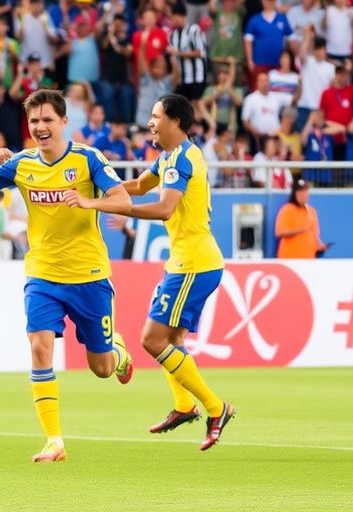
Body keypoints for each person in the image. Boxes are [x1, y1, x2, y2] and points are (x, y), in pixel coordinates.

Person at [0, 89, 136, 463]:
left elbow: (123, 199)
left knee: (102, 367)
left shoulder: (88, 159)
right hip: (42, 274)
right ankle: (53, 439)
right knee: (40, 346)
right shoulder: (22, 164)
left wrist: (90, 201)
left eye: (47, 120)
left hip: (89, 274)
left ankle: (118, 352)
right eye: (34, 121)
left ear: (63, 122)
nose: (40, 127)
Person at [116, 94, 234, 450]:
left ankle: (216, 408)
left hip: (193, 265)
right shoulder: (170, 156)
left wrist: (119, 209)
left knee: (152, 340)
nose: (150, 122)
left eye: (155, 116)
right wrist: (97, 186)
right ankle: (185, 406)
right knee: (173, 341)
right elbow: (138, 185)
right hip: (188, 262)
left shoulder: (182, 158)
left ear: (175, 122)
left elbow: (166, 209)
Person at [275, 179, 325, 258]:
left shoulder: (311, 211)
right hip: (290, 258)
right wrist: (301, 229)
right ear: (295, 194)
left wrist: (320, 245)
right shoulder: (287, 209)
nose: (304, 194)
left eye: (306, 192)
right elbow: (280, 232)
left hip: (308, 258)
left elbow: (314, 234)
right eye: (301, 192)